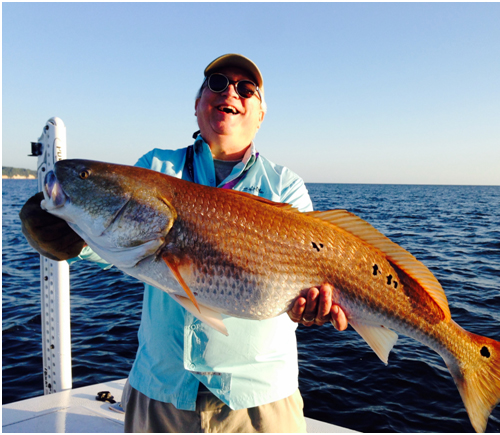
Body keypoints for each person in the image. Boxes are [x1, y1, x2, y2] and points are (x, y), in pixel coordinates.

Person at [20, 53, 348, 433]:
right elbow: (115, 243)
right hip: (161, 389)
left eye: (247, 89)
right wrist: (70, 237)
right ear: (197, 105)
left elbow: (307, 282)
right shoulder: (156, 168)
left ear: (261, 115)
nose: (232, 93)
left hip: (258, 399)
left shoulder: (285, 187)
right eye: (218, 84)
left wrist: (313, 306)